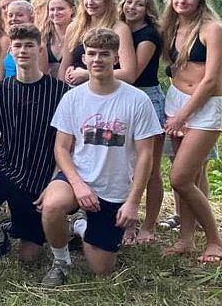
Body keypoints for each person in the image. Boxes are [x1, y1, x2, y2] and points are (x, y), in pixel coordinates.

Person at [39, 28, 160, 287]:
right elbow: (61, 148)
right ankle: (61, 261)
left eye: (104, 54)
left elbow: (145, 155)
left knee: (102, 269)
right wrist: (78, 184)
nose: (97, 60)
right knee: (52, 205)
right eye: (91, 54)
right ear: (83, 59)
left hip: (114, 187)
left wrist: (132, 202)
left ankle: (81, 226)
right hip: (78, 177)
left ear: (116, 58)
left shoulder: (137, 100)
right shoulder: (72, 98)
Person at [0, 24, 68, 266]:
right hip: (7, 165)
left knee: (28, 259)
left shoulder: (60, 91)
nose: (23, 51)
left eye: (29, 46)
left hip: (40, 175)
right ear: (10, 50)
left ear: (40, 49)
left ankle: (42, 228)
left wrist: (54, 182)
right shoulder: (2, 89)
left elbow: (67, 144)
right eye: (18, 46)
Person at [160, 0, 222, 263]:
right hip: (177, 100)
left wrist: (182, 117)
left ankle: (214, 241)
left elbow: (211, 80)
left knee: (181, 177)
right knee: (189, 176)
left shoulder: (213, 29)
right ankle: (185, 239)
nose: (182, 1)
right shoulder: (172, 27)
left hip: (205, 106)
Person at [119, 0, 165, 245]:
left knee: (149, 168)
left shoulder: (149, 35)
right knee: (126, 165)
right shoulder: (120, 30)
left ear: (148, 9)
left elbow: (132, 72)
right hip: (123, 97)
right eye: (129, 1)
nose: (132, 7)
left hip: (146, 96)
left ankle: (148, 225)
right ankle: (127, 222)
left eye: (139, 4)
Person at [59, 0, 136, 87]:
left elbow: (129, 74)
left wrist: (88, 74)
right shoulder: (73, 27)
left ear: (108, 0)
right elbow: (64, 65)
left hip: (108, 91)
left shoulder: (120, 29)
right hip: (75, 92)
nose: (90, 2)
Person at [44, 0, 76, 79]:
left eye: (60, 9)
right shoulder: (43, 35)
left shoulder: (80, 35)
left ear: (72, 10)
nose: (56, 13)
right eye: (52, 9)